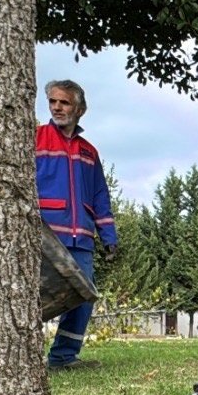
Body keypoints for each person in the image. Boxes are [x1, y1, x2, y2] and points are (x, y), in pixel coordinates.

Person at [36, 79, 116, 371]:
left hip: (80, 237)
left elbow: (99, 195)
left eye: (64, 102)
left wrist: (109, 235)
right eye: (53, 102)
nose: (57, 107)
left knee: (84, 297)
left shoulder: (88, 152)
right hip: (46, 236)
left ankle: (63, 357)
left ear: (80, 109)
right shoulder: (35, 139)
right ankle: (26, 359)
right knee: (36, 299)